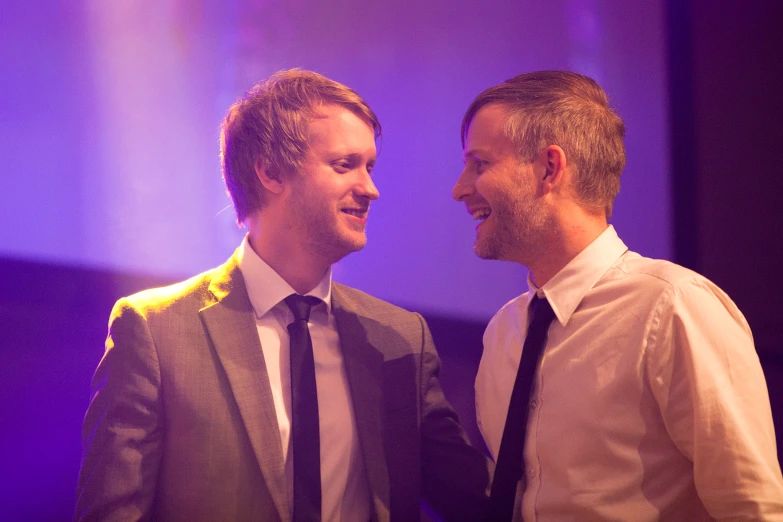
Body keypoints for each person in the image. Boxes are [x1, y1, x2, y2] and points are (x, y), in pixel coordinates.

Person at [75, 69, 489, 522]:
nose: (371, 188)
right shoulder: (156, 329)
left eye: (369, 166)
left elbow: (476, 501)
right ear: (271, 172)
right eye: (344, 164)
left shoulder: (400, 338)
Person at [452, 70, 783, 521]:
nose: (460, 188)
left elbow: (752, 509)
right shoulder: (504, 332)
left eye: (480, 164)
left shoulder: (675, 308)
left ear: (549, 168)